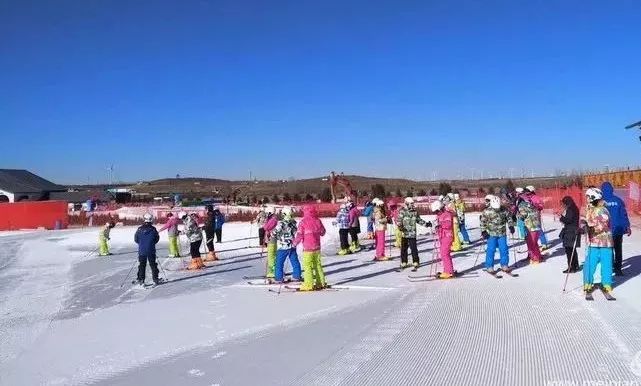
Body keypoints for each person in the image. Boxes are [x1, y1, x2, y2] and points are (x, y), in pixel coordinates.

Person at [581, 188, 614, 294]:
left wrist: (589, 227)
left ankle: (607, 283)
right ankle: (587, 282)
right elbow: (583, 219)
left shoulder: (603, 209)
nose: (586, 199)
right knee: (590, 263)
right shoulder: (588, 208)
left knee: (606, 263)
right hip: (592, 242)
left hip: (605, 242)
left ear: (593, 197)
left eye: (587, 196)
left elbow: (603, 223)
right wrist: (582, 226)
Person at [293, 205, 327, 291]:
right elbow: (323, 232)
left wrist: (294, 243)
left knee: (307, 266)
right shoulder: (317, 220)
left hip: (308, 248)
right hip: (317, 247)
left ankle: (309, 284)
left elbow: (300, 234)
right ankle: (321, 282)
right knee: (317, 265)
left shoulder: (303, 222)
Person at [600, 182, 631, 276]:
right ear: (612, 189)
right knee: (618, 250)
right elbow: (624, 215)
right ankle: (618, 269)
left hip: (606, 231)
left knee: (608, 250)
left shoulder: (600, 202)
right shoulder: (618, 200)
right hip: (618, 230)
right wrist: (627, 226)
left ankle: (610, 267)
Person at [480, 195, 515, 274]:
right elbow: (483, 222)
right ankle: (489, 266)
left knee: (504, 249)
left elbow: (509, 218)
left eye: (498, 208)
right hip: (491, 234)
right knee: (491, 250)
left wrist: (511, 226)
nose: (497, 209)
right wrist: (483, 231)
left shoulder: (504, 210)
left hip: (502, 233)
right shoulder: (486, 211)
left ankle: (504, 265)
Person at [397, 197, 433, 270]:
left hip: (412, 233)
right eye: (411, 204)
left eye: (413, 204)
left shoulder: (415, 212)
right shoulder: (402, 211)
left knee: (414, 248)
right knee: (404, 248)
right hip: (404, 233)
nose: (412, 205)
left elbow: (418, 220)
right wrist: (400, 227)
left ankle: (415, 261)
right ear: (407, 204)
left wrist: (426, 224)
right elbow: (399, 220)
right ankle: (404, 261)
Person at [272, 206, 302, 283]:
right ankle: (297, 276)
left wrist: (272, 234)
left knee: (279, 263)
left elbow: (274, 232)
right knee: (295, 261)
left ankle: (279, 278)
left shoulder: (281, 224)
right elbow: (295, 232)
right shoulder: (293, 223)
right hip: (291, 246)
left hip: (282, 246)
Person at [134, 213, 161, 286]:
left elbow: (136, 239)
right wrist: (151, 244)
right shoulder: (153, 229)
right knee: (153, 265)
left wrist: (142, 244)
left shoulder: (139, 229)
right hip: (151, 250)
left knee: (142, 265)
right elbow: (157, 238)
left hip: (142, 251)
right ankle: (155, 279)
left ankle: (141, 279)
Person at [517, 191, 544, 264]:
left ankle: (536, 258)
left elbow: (523, 215)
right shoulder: (531, 204)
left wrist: (518, 215)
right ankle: (536, 256)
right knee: (534, 242)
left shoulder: (522, 205)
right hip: (536, 225)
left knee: (532, 243)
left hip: (530, 226)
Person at [431, 200, 456, 278]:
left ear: (440, 208)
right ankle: (447, 270)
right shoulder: (440, 215)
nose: (436, 213)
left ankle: (449, 271)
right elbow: (439, 224)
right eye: (435, 212)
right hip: (442, 236)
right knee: (444, 254)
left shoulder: (447, 214)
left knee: (444, 254)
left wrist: (440, 225)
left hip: (447, 236)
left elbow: (448, 224)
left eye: (437, 211)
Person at [559, 196, 581, 273]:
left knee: (569, 250)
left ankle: (571, 267)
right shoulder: (574, 208)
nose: (564, 205)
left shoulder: (571, 209)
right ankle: (575, 265)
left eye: (564, 203)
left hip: (570, 232)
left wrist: (561, 217)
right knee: (572, 250)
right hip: (573, 231)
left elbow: (568, 220)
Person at [524, 186, 549, 251]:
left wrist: (535, 206)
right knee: (530, 230)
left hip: (535, 216)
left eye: (527, 191)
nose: (526, 192)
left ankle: (544, 243)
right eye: (525, 191)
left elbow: (541, 205)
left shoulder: (535, 197)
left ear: (531, 191)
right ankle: (533, 244)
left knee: (538, 229)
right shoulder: (525, 197)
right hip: (528, 217)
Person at [262, 206, 279, 279]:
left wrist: (266, 221)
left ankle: (272, 271)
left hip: (272, 239)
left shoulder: (273, 219)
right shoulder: (272, 219)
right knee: (272, 255)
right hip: (271, 239)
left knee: (271, 255)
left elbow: (266, 227)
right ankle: (273, 270)